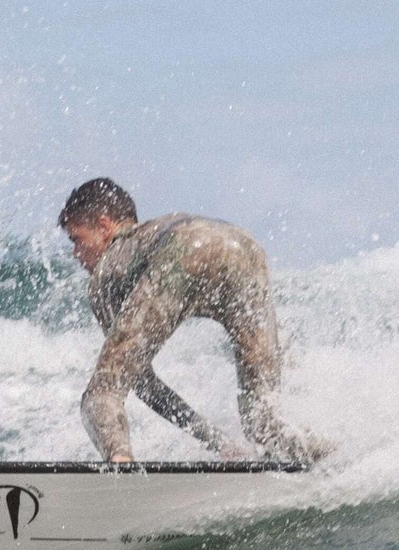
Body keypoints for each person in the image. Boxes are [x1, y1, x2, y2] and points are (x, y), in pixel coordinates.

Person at [58, 177, 319, 468]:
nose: (75, 254)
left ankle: (120, 468)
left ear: (105, 227)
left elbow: (139, 384)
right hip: (245, 246)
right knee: (263, 425)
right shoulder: (154, 232)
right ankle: (334, 458)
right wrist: (219, 443)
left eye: (77, 240)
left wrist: (211, 440)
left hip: (182, 249)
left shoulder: (108, 270)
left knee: (102, 393)